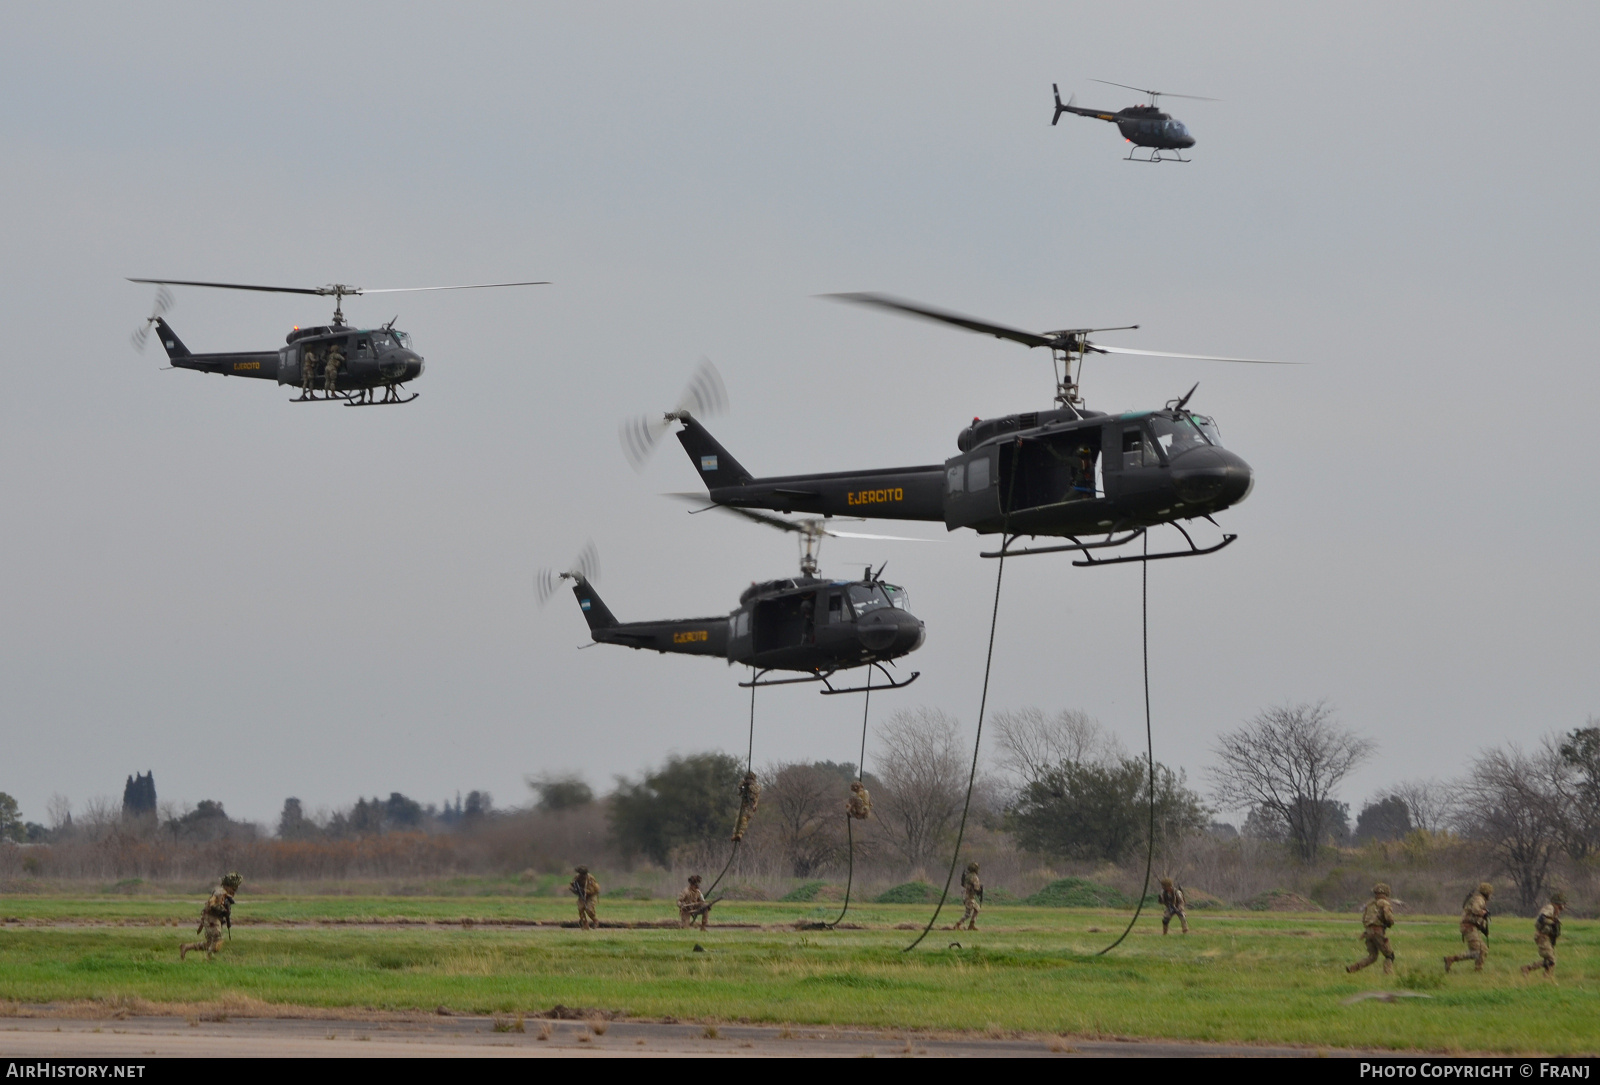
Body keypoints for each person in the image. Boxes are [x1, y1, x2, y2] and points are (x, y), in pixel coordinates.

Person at [180, 872, 241, 961]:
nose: (234, 892)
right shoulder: (220, 893)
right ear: (228, 886)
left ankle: (187, 947)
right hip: (212, 919)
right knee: (217, 941)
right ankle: (209, 958)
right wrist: (223, 910)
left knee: (210, 944)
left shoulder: (223, 893)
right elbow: (211, 903)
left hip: (213, 919)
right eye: (233, 889)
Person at [1346, 882, 1396, 974]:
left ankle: (1353, 968)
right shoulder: (1384, 903)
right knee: (1389, 955)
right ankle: (1388, 975)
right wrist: (1390, 922)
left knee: (1372, 956)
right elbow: (1389, 917)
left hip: (1368, 932)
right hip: (1378, 932)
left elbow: (1364, 919)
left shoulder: (1370, 904)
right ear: (1386, 893)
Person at [1445, 881, 1493, 972]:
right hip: (1469, 927)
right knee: (1477, 951)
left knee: (1483, 950)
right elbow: (1475, 909)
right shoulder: (1479, 899)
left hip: (1470, 927)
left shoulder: (1477, 898)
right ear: (1487, 892)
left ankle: (1478, 969)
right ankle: (1451, 959)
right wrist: (1483, 913)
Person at [1521, 891, 1567, 977]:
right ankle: (1527, 968)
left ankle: (1547, 977)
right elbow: (1541, 918)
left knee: (1550, 961)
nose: (1563, 907)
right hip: (1543, 937)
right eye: (1562, 904)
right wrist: (1552, 922)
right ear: (1558, 903)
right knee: (1551, 960)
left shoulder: (1555, 911)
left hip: (1548, 937)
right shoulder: (1550, 908)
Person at [731, 771, 760, 842]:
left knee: (744, 819)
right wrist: (744, 783)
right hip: (743, 806)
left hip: (750, 807)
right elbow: (739, 787)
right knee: (738, 820)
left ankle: (740, 834)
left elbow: (756, 790)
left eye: (750, 779)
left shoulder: (756, 786)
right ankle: (735, 834)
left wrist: (750, 785)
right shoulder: (745, 785)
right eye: (748, 779)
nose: (749, 780)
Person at [570, 865, 599, 930]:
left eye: (582, 874)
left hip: (591, 896)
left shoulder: (590, 879)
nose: (581, 875)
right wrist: (574, 889)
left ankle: (595, 921)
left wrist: (583, 890)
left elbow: (592, 890)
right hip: (582, 896)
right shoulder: (577, 878)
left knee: (589, 909)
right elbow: (572, 884)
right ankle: (585, 924)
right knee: (580, 909)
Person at [957, 862, 982, 930]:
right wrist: (979, 890)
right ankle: (958, 924)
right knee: (968, 914)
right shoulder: (974, 877)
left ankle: (971, 925)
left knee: (977, 909)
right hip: (969, 897)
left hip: (967, 896)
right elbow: (976, 887)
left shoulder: (968, 875)